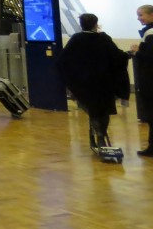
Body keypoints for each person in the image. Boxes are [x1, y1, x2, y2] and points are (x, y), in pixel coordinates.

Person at [56, 13, 130, 151]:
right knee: (104, 110)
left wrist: (72, 79)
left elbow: (62, 61)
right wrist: (129, 54)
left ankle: (99, 135)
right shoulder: (104, 38)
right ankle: (101, 135)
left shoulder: (76, 39)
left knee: (93, 110)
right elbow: (117, 57)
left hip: (84, 84)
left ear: (81, 24)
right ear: (96, 24)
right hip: (104, 82)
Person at [131, 4, 153, 157]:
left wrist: (137, 52)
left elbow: (150, 59)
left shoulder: (150, 33)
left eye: (141, 15)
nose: (139, 18)